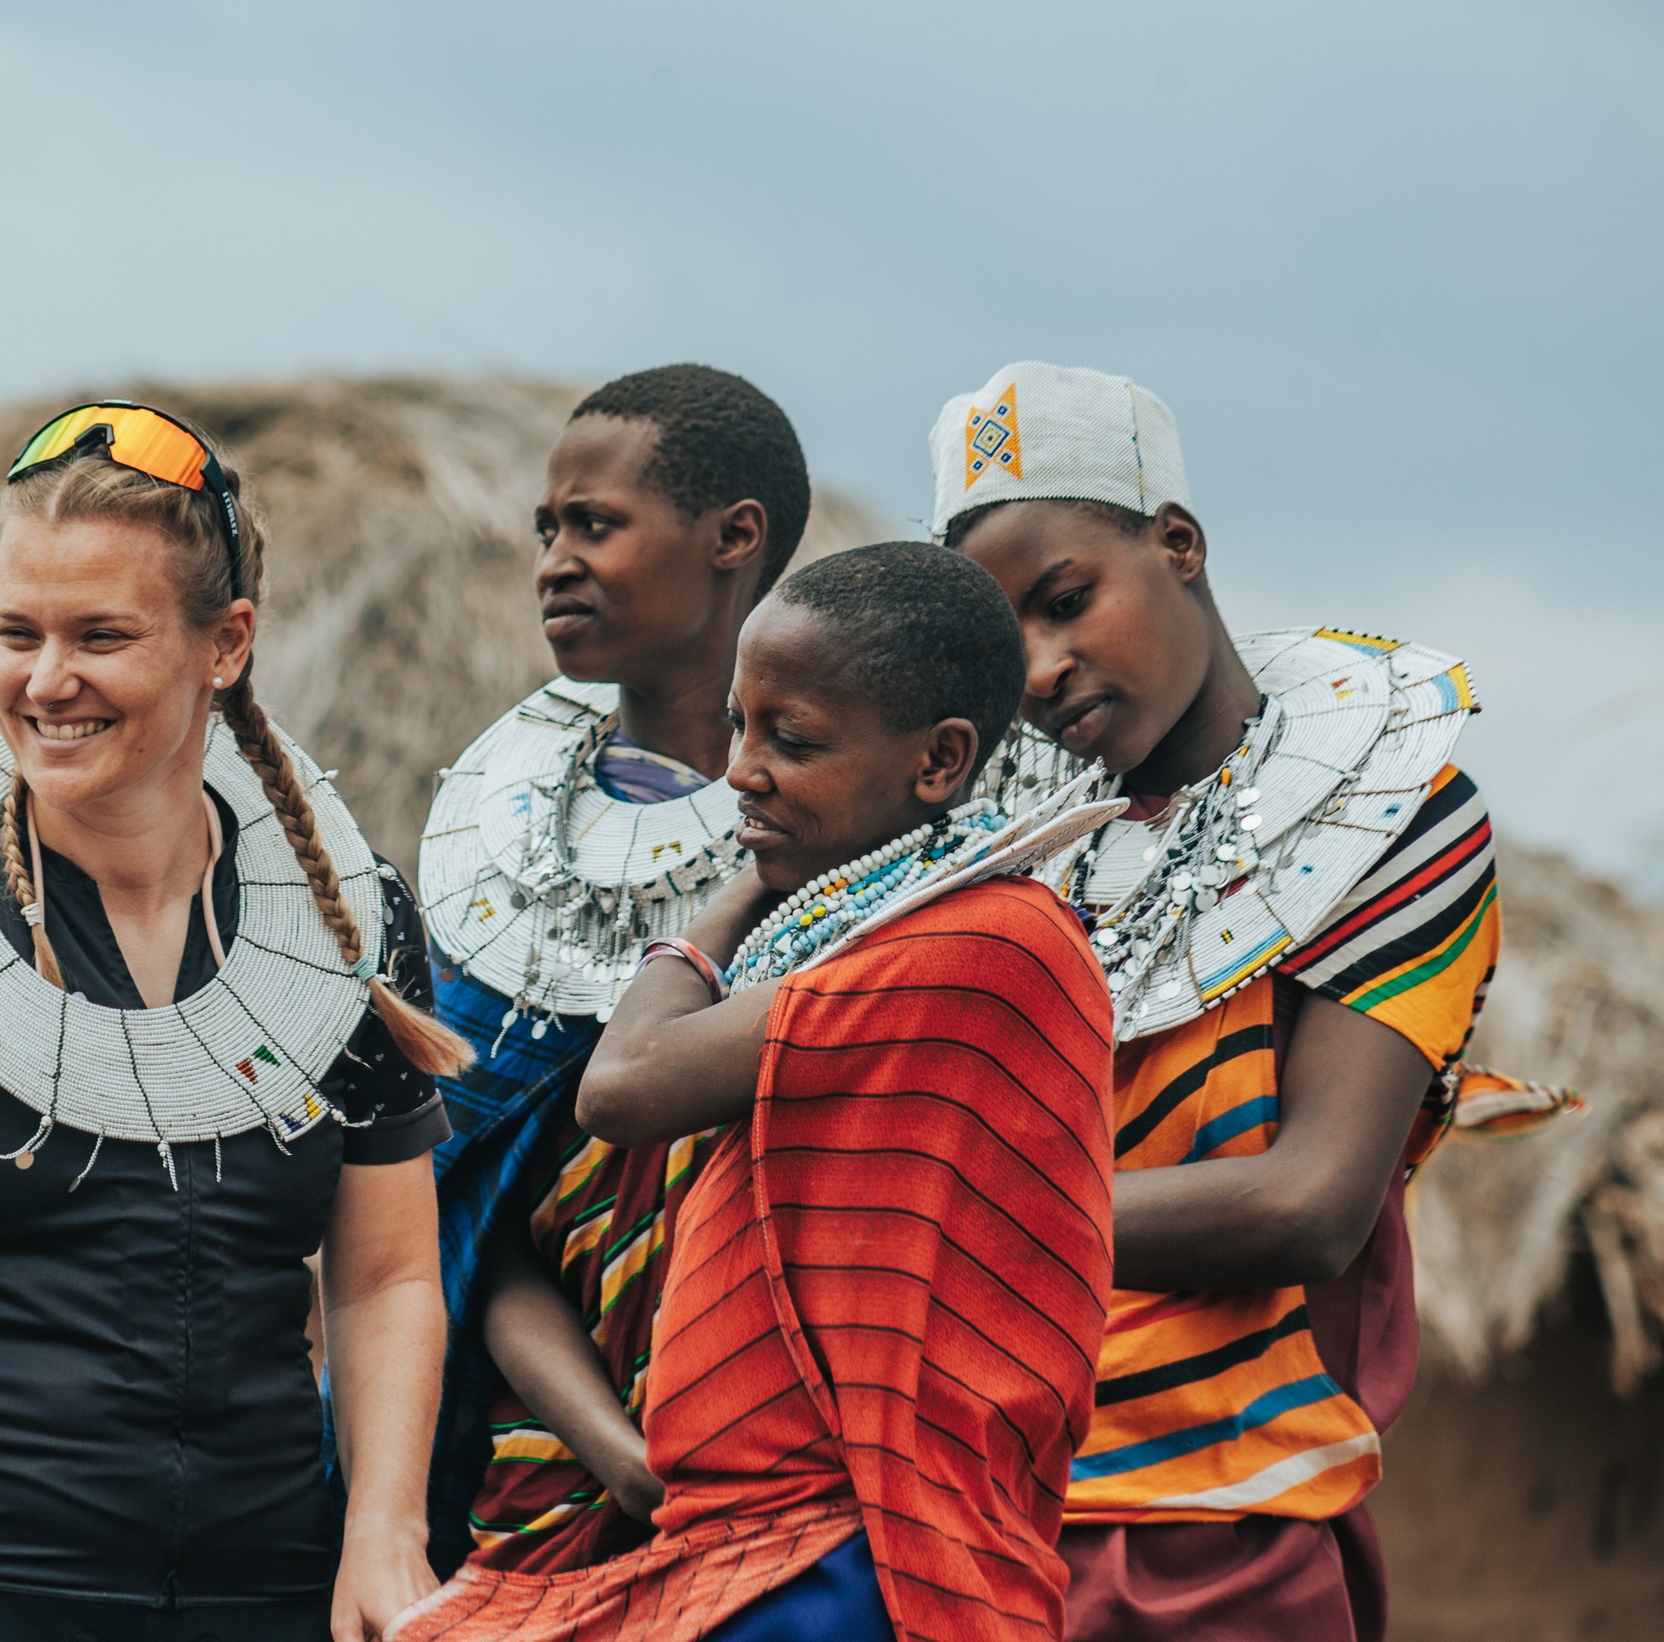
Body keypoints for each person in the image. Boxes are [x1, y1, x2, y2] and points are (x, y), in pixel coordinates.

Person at [0, 402, 466, 1642]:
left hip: (270, 1593)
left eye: (101, 636)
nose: (45, 682)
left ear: (224, 644)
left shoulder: (343, 931)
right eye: (16, 634)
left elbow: (387, 1277)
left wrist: (382, 1529)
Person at [398, 542, 1116, 1642]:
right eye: (737, 726)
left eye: (791, 740)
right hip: (763, 1543)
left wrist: (733, 890)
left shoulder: (980, 942)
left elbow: (623, 1085)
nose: (740, 769)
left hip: (860, 1556)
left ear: (940, 762)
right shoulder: (876, 944)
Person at [935, 363, 1502, 1641]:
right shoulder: (1012, 864)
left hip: (1212, 1531)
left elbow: (1306, 1205)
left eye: (1066, 599)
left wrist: (941, 1220)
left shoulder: (1389, 819)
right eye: (1000, 639)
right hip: (966, 1511)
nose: (1037, 665)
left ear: (1178, 545)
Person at [417, 365, 810, 1574]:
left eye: (593, 525)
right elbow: (464, 1221)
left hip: (798, 1465)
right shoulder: (499, 863)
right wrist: (624, 1454)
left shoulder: (860, 853)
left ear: (732, 538)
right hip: (543, 1479)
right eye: (547, 530)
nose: (552, 560)